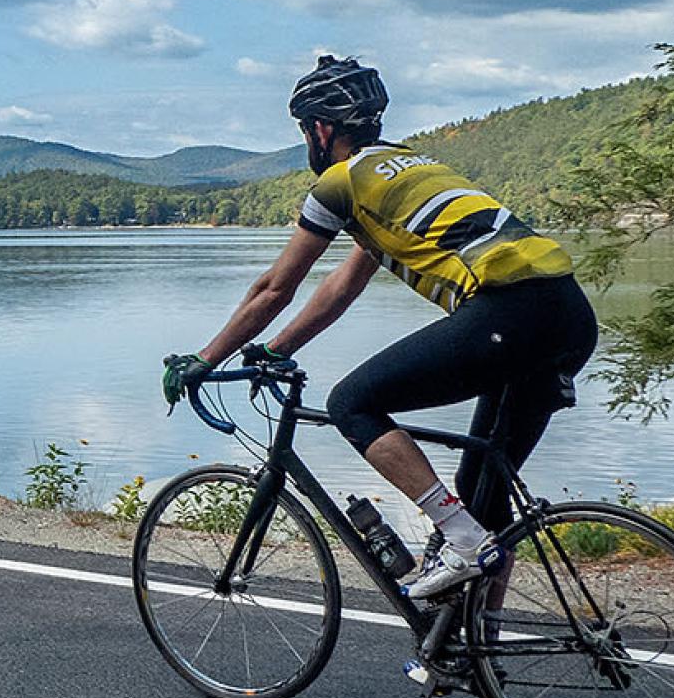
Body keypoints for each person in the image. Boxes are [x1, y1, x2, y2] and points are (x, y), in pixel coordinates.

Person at [162, 55, 597, 600]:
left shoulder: (341, 184)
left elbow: (276, 287)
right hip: (569, 316)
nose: (306, 142)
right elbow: (344, 285)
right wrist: (276, 349)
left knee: (352, 404)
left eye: (304, 130)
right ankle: (472, 646)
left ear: (321, 129)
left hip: (507, 312)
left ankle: (461, 540)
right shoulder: (409, 168)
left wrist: (205, 359)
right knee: (480, 494)